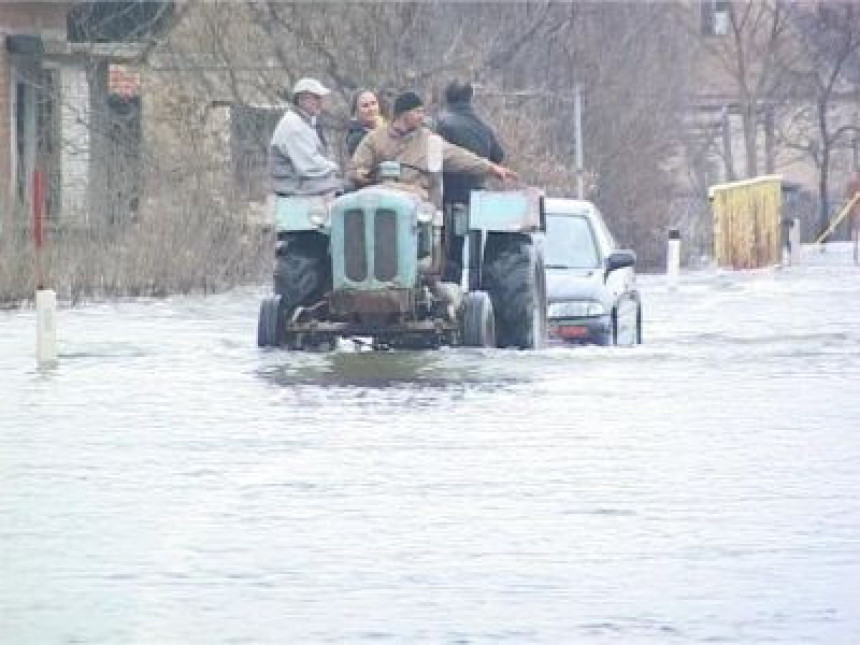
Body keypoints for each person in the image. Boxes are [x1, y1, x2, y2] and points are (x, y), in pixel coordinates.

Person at [348, 90, 516, 204]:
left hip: (414, 198)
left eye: (422, 112)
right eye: (417, 112)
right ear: (403, 114)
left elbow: (459, 157)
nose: (422, 116)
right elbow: (357, 166)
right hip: (379, 195)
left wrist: (491, 168)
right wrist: (360, 174)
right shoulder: (374, 138)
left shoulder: (429, 141)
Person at [436, 80, 505, 283]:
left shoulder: (441, 123)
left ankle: (452, 287)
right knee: (474, 253)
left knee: (451, 252)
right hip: (476, 196)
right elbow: (498, 155)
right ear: (470, 97)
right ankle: (477, 288)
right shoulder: (483, 126)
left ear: (446, 98)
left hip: (448, 196)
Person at [269, 77, 342, 196]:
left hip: (302, 181)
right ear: (302, 100)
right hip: (293, 184)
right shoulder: (294, 125)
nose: (320, 102)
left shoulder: (304, 121)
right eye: (316, 98)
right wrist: (335, 168)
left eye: (320, 98)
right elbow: (309, 165)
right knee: (344, 187)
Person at [345, 89, 384, 156]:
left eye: (373, 103)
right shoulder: (356, 138)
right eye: (365, 106)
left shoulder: (387, 127)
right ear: (356, 112)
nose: (371, 109)